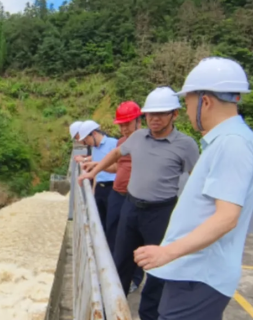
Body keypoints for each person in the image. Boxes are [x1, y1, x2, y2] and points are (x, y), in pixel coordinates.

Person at [134, 57, 253, 320]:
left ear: (205, 101)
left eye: (189, 101)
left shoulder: (233, 144)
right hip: (191, 271)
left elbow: (226, 217)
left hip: (200, 275)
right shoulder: (226, 141)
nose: (188, 108)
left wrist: (166, 252)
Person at [78, 87, 200, 320]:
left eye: (161, 113)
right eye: (150, 114)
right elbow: (115, 155)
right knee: (120, 259)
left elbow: (197, 178)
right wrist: (93, 170)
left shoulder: (186, 145)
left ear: (175, 114)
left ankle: (148, 315)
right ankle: (111, 308)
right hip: (131, 208)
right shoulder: (136, 137)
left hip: (161, 212)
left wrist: (192, 214)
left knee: (157, 268)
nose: (154, 119)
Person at [106, 101, 145, 294]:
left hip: (134, 198)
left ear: (139, 121)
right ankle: (116, 276)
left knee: (134, 241)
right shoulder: (121, 143)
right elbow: (117, 167)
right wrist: (95, 166)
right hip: (117, 193)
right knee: (114, 235)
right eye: (120, 125)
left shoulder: (148, 141)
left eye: (127, 124)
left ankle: (135, 278)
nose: (123, 128)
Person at [77, 120, 118, 228]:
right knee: (99, 221)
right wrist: (94, 189)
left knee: (111, 223)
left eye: (87, 139)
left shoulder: (113, 143)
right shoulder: (94, 149)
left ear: (94, 133)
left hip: (112, 187)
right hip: (100, 188)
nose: (87, 142)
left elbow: (118, 167)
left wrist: (96, 165)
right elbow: (97, 173)